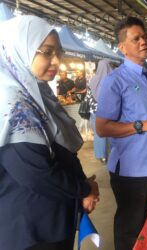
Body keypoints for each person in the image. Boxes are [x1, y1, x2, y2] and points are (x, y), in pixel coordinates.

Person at [0, 15, 99, 250]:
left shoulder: (36, 93)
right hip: (31, 229)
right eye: (46, 51)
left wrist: (81, 185)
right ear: (19, 49)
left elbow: (59, 150)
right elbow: (36, 172)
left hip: (52, 219)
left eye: (59, 52)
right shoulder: (11, 104)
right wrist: (84, 189)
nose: (56, 60)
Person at [95, 16, 147, 250]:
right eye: (135, 39)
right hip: (132, 171)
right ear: (122, 47)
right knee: (131, 229)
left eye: (144, 36)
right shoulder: (115, 81)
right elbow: (102, 127)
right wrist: (141, 125)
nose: (143, 42)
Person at [87, 59, 115, 163]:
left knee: (99, 134)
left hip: (94, 111)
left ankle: (101, 155)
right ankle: (111, 153)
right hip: (109, 112)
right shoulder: (112, 79)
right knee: (111, 133)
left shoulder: (93, 80)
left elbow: (89, 97)